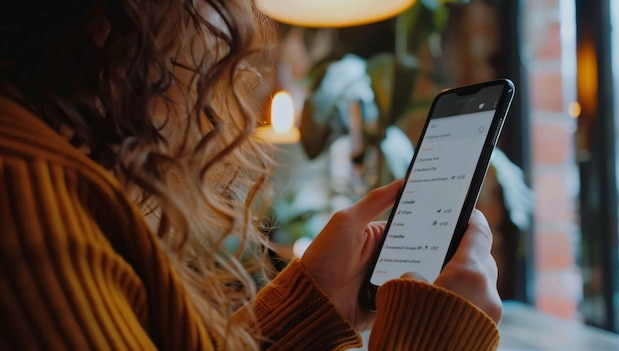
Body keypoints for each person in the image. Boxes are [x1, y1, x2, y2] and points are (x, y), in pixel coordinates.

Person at [0, 0, 502, 350]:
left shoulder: (48, 171)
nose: (221, 44)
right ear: (127, 20)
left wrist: (313, 302)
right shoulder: (27, 203)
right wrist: (433, 337)